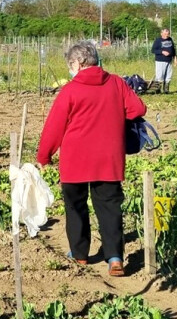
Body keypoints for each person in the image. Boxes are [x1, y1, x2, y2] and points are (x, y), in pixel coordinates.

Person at [36, 41, 147, 277]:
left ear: (77, 63)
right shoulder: (116, 83)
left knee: (76, 207)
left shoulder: (70, 90)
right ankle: (115, 258)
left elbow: (54, 128)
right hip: (109, 159)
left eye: (70, 64)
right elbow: (138, 109)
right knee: (109, 207)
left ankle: (80, 254)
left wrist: (44, 157)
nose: (71, 69)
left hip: (75, 160)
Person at [151, 28, 177, 93]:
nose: (167, 35)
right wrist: (162, 52)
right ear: (161, 33)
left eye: (168, 34)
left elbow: (173, 50)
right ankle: (157, 90)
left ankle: (166, 90)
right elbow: (153, 50)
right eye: (165, 34)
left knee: (168, 76)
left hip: (169, 61)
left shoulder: (170, 39)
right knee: (160, 76)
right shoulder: (158, 40)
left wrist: (175, 58)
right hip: (160, 61)